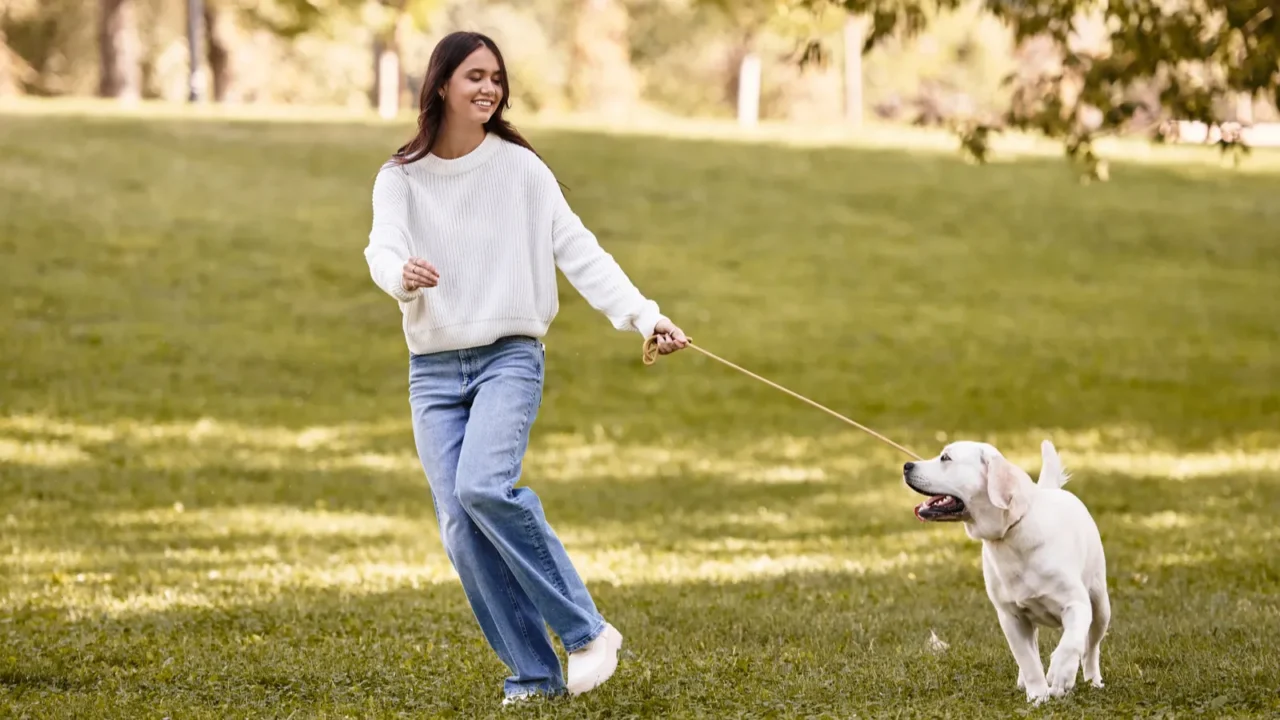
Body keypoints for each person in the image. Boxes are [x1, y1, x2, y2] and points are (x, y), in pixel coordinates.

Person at [362, 31, 689, 705]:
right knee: (458, 523)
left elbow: (579, 250)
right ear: (442, 84)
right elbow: (382, 246)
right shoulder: (400, 176)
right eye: (474, 76)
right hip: (433, 372)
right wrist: (401, 273)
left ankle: (588, 632)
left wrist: (642, 314)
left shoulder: (520, 169)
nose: (488, 89)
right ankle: (534, 678)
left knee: (483, 487)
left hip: (509, 356)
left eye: (496, 78)